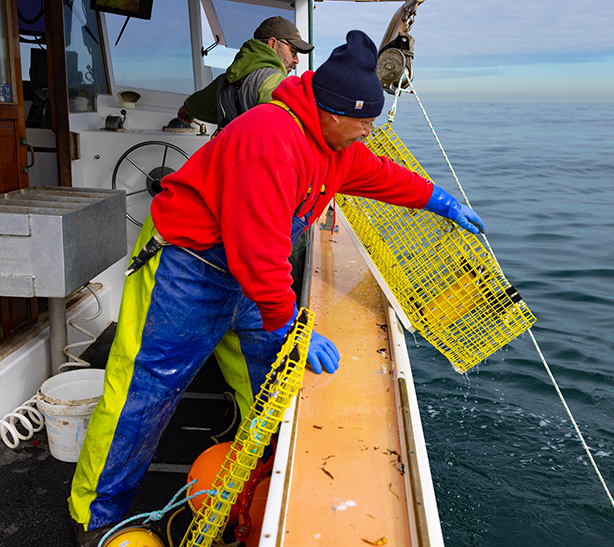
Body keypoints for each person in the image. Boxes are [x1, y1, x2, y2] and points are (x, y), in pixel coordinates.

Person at [70, 30, 485, 547]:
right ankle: (96, 516)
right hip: (187, 267)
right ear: (331, 111)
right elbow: (258, 251)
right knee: (146, 390)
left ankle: (253, 487)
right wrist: (291, 323)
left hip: (247, 277)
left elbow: (381, 175)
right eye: (363, 122)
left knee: (267, 382)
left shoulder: (337, 146)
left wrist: (441, 202)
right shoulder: (269, 137)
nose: (368, 132)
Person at [177, 16, 313, 129]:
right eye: (293, 52)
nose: (296, 60)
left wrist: (186, 111)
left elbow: (195, 104)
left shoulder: (223, 82)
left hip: (228, 160)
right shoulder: (276, 82)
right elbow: (285, 132)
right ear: (272, 44)